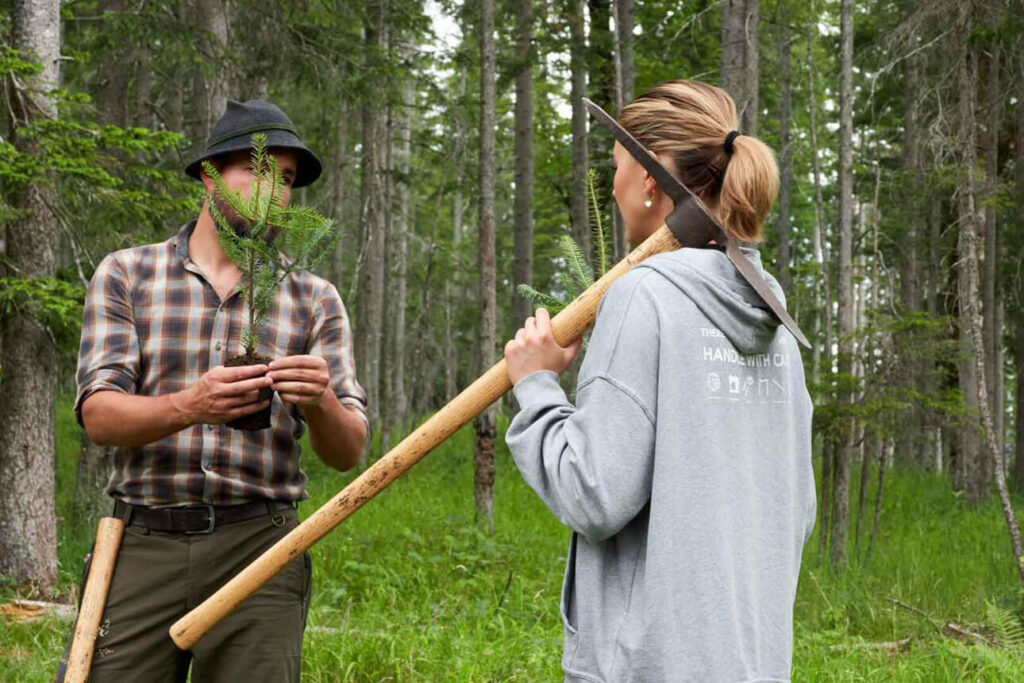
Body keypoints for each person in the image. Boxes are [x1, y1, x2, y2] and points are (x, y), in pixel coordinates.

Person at [503, 80, 815, 682]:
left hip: (648, 666)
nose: (612, 186)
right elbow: (796, 510)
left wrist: (537, 386)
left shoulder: (643, 295)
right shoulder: (775, 316)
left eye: (616, 168)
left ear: (650, 182)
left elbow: (592, 493)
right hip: (754, 663)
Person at [56, 100, 368, 682]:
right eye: (258, 169)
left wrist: (321, 401)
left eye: (288, 179)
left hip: (261, 546)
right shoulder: (129, 274)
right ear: (208, 174)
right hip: (141, 542)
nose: (274, 191)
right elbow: (97, 415)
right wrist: (189, 406)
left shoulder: (312, 297)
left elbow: (348, 452)